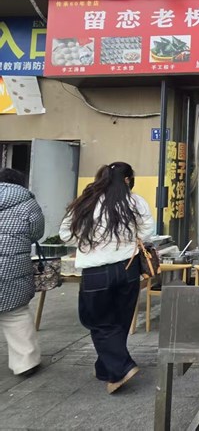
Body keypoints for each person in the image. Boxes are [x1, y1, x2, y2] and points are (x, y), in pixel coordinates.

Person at [60, 162, 155, 394]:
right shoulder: (135, 201)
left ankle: (121, 368)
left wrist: (89, 242)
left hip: (96, 271)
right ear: (127, 180)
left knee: (98, 321)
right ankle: (105, 368)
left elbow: (66, 234)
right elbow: (147, 231)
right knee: (120, 320)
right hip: (128, 268)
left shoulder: (86, 201)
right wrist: (126, 239)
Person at [0, 168, 44, 378]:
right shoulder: (28, 202)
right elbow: (36, 233)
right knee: (15, 314)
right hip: (13, 265)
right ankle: (25, 363)